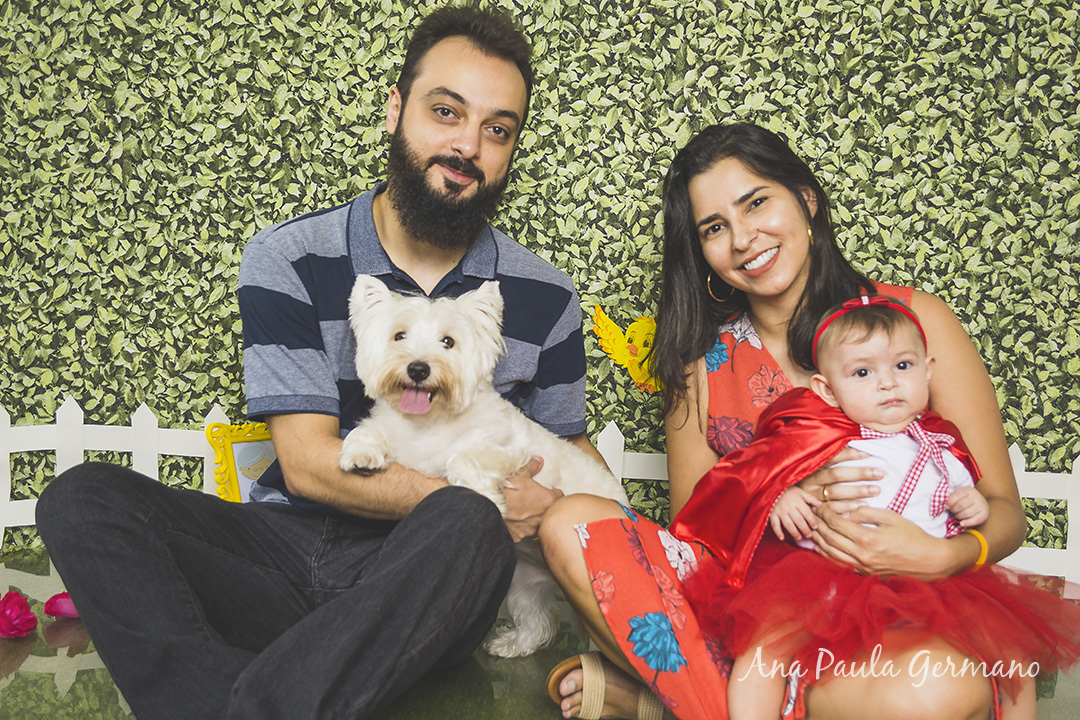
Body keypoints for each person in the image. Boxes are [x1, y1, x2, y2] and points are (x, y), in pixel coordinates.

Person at [36, 6, 593, 719]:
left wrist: (556, 520)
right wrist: (486, 501)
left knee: (464, 519)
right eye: (445, 111)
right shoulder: (289, 257)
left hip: (432, 577)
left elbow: (569, 455)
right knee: (81, 498)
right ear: (395, 110)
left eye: (498, 129)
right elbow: (306, 464)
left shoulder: (547, 294)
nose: (467, 145)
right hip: (284, 549)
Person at [540, 122, 1028, 720]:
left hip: (904, 614)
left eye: (756, 203)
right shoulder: (700, 363)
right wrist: (773, 492)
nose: (743, 238)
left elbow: (1006, 513)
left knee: (931, 693)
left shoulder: (911, 321)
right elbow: (697, 535)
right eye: (714, 228)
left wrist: (941, 557)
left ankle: (670, 698)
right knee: (569, 522)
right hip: (767, 619)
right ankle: (726, 697)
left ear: (806, 199)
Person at [675, 296, 1080, 720]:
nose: (887, 383)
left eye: (902, 366)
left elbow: (970, 497)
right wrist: (781, 495)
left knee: (1011, 654)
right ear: (827, 390)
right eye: (863, 373)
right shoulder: (817, 437)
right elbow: (761, 475)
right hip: (825, 573)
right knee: (765, 649)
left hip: (931, 579)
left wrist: (972, 504)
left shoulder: (942, 444)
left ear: (927, 370)